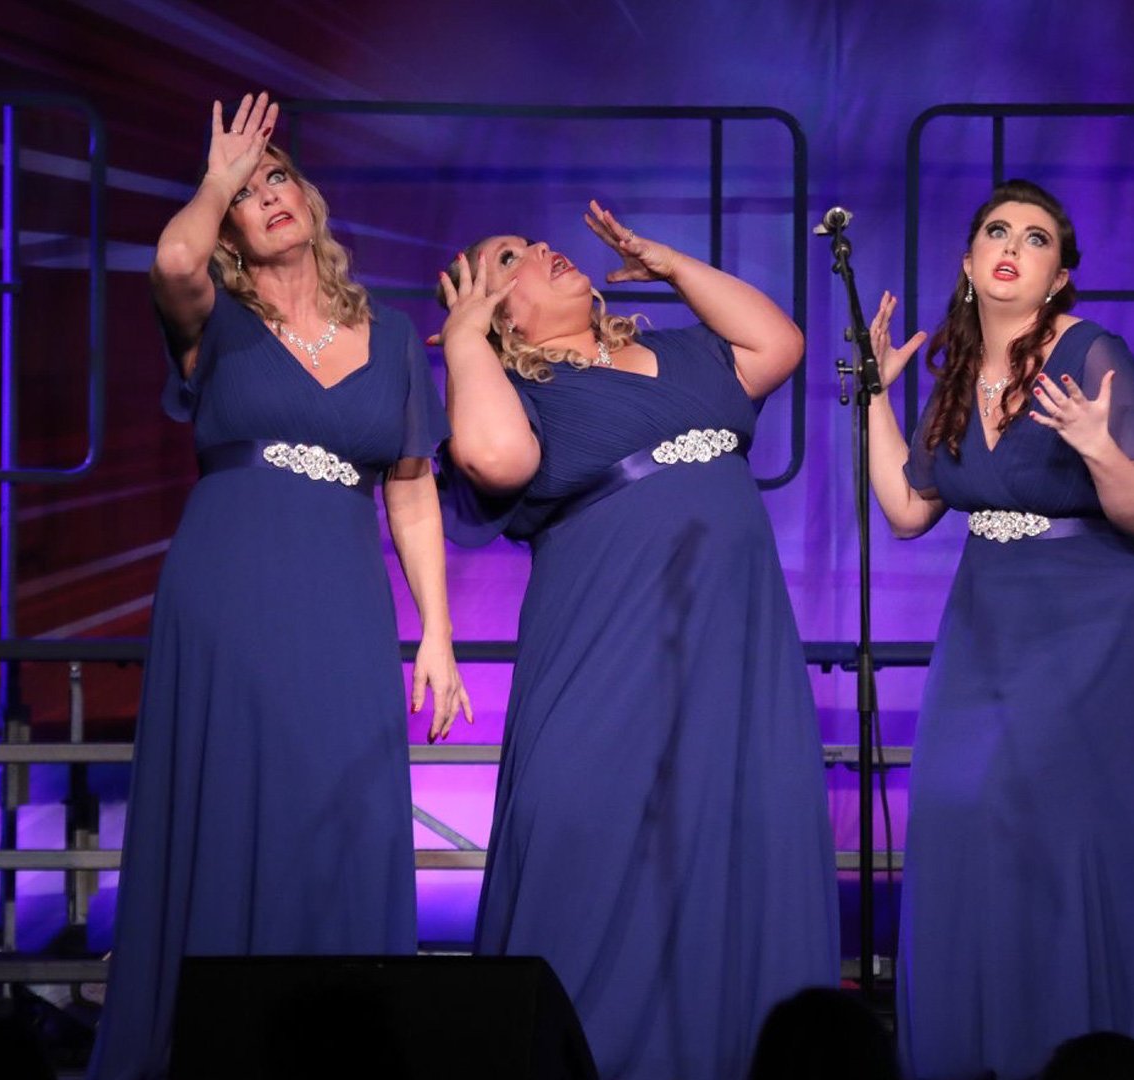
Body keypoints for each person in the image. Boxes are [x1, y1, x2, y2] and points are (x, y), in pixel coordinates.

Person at [88, 92, 465, 1079]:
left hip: (343, 599)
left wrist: (436, 632)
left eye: (278, 178)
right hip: (231, 586)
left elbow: (412, 494)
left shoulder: (392, 338)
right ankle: (211, 1046)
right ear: (230, 228)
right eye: (249, 193)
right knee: (233, 798)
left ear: (309, 198)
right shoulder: (214, 320)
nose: (269, 197)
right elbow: (173, 262)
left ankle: (341, 1048)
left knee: (339, 803)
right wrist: (215, 178)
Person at [434, 201, 838, 1080]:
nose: (542, 247)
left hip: (730, 653)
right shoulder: (524, 393)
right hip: (608, 651)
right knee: (595, 845)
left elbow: (779, 343)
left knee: (729, 842)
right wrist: (466, 337)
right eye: (509, 258)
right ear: (495, 316)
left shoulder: (690, 352)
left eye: (533, 240)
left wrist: (671, 265)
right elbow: (495, 459)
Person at [866, 179, 1134, 1079]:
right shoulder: (955, 374)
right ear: (969, 261)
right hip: (991, 612)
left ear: (1058, 277)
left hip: (1097, 612)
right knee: (963, 808)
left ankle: (1078, 1043)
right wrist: (872, 398)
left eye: (1037, 238)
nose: (1013, 246)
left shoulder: (1092, 352)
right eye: (997, 231)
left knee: (1060, 823)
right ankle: (986, 1036)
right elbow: (908, 511)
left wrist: (1096, 445)